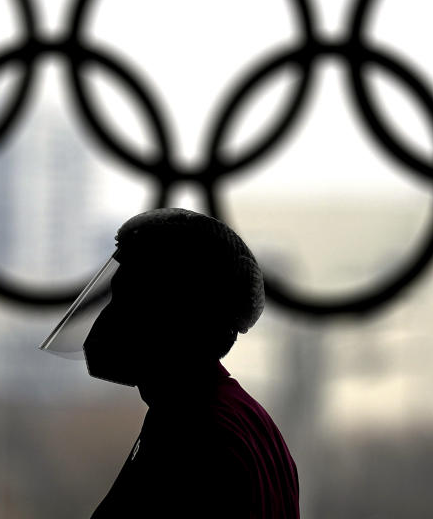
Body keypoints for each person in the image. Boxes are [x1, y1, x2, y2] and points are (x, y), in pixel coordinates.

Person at [40, 208, 300, 518]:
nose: (106, 319)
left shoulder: (193, 435)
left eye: (126, 301)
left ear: (172, 316)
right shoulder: (240, 416)